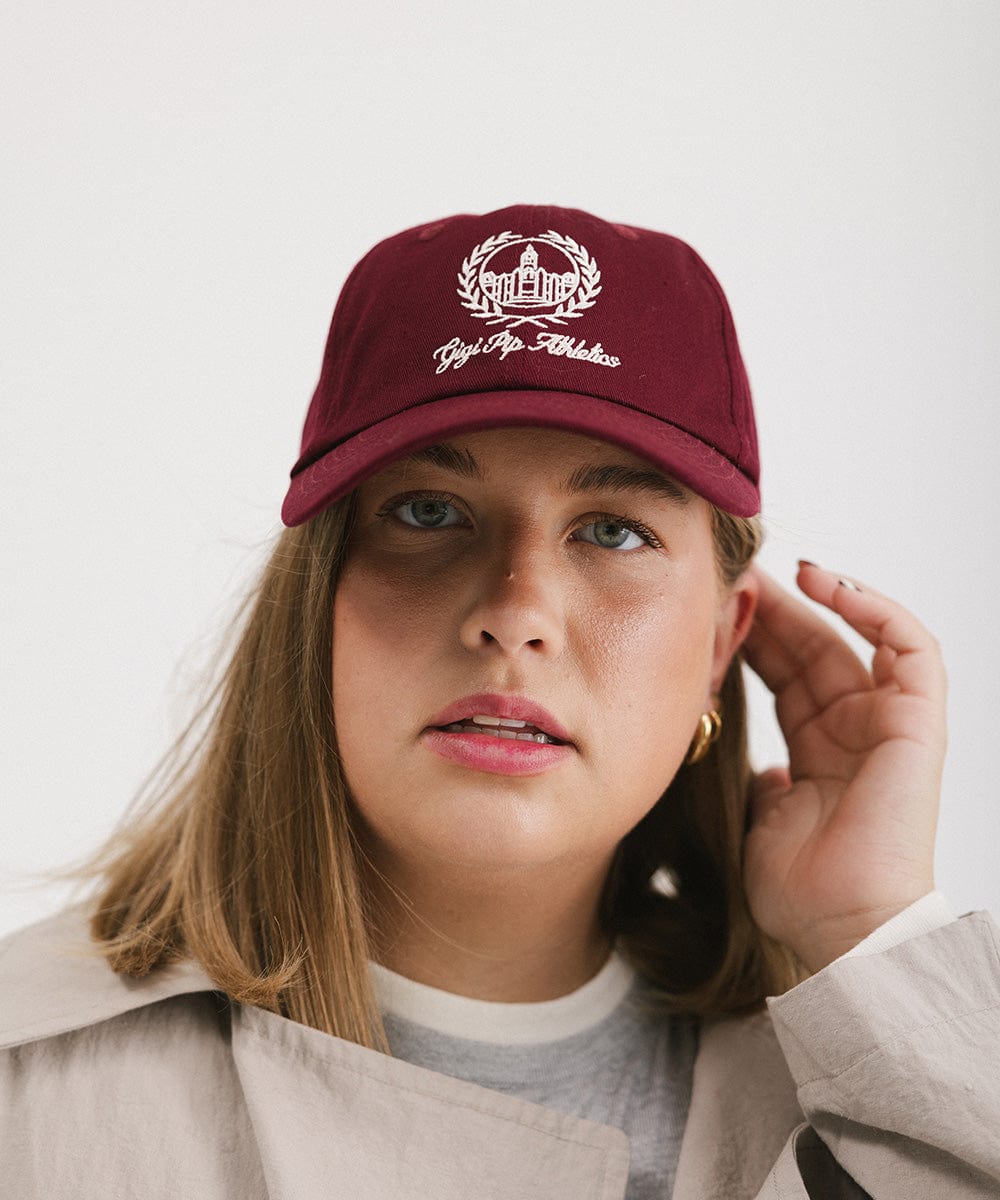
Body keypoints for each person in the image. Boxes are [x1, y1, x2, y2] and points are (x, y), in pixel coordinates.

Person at [1, 204, 997, 1199]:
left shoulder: (871, 1101)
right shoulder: (32, 1096)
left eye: (611, 532)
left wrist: (875, 939)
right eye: (429, 512)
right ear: (317, 602)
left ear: (721, 641)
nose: (515, 614)